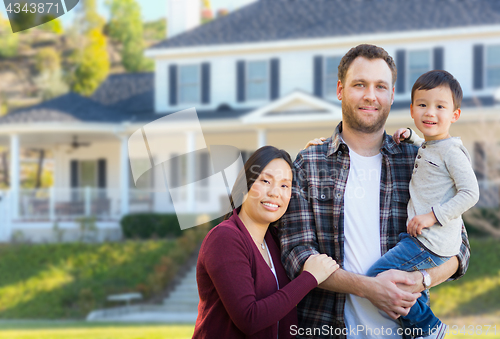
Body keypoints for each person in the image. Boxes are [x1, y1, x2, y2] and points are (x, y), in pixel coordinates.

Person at [280, 44, 471, 339]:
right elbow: (296, 253)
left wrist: (422, 279)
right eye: (360, 84)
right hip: (325, 329)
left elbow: (458, 247)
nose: (371, 95)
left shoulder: (416, 159)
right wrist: (371, 288)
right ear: (341, 90)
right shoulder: (310, 162)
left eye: (380, 86)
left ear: (392, 95)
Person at [363, 70, 480, 339]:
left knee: (378, 276)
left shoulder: (452, 151)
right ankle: (418, 333)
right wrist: (412, 138)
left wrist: (432, 216)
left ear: (454, 115)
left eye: (440, 106)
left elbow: (470, 193)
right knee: (412, 288)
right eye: (423, 104)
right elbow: (430, 155)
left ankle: (428, 327)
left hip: (429, 241)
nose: (430, 112)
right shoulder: (430, 145)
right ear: (412, 110)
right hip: (421, 238)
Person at [193, 146, 339, 339]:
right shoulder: (224, 238)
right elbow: (250, 319)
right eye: (265, 181)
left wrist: (318, 152)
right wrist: (309, 277)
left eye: (284, 185)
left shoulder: (275, 240)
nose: (274, 192)